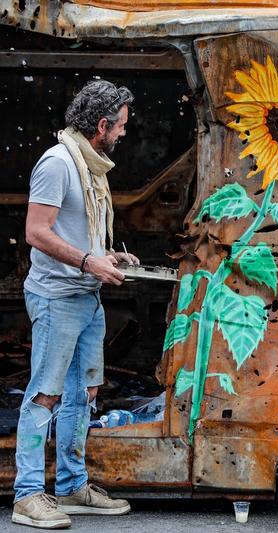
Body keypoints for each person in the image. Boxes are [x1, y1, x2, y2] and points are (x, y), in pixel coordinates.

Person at [12, 80, 139, 529]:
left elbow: (74, 228)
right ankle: (27, 496)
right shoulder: (58, 163)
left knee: (84, 393)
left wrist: (107, 255)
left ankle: (71, 487)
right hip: (56, 298)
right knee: (44, 394)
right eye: (121, 125)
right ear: (102, 125)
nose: (124, 133)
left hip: (86, 296)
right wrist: (89, 261)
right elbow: (37, 232)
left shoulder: (90, 166)